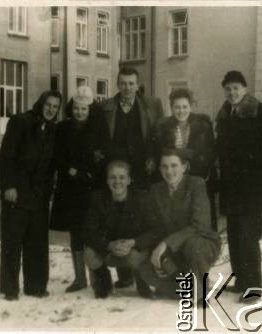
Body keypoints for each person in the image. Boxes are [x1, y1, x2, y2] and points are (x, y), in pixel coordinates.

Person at [215, 70, 262, 302]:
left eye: (236, 88)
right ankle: (241, 281)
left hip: (253, 186)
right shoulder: (224, 113)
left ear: (245, 89)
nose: (232, 92)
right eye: (228, 89)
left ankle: (254, 288)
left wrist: (255, 157)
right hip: (231, 186)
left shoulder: (260, 111)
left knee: (248, 236)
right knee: (235, 235)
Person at [96, 66, 164, 287]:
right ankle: (125, 275)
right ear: (117, 84)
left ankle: (143, 273)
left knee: (141, 217)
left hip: (143, 171)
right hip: (117, 172)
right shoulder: (107, 107)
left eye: (131, 83)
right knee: (119, 217)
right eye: (123, 83)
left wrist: (153, 157)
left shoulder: (152, 106)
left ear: (137, 85)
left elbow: (158, 136)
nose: (127, 87)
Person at [0, 90, 62, 301]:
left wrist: (50, 191)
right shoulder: (20, 122)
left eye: (55, 106)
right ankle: (10, 289)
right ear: (40, 102)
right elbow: (6, 156)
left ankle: (35, 286)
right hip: (16, 193)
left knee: (37, 243)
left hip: (39, 196)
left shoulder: (53, 129)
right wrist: (9, 186)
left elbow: (52, 164)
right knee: (13, 242)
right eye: (48, 104)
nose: (51, 109)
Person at [135, 149, 221, 299]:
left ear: (184, 166)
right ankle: (183, 287)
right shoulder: (156, 190)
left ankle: (201, 293)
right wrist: (141, 245)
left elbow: (199, 225)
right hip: (174, 248)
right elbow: (156, 227)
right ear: (160, 169)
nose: (169, 171)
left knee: (193, 245)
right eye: (164, 166)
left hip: (202, 244)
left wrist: (166, 244)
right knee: (146, 269)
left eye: (174, 165)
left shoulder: (196, 184)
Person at [50, 86, 101, 293]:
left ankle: (95, 277)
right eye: (77, 108)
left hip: (90, 188)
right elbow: (57, 156)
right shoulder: (62, 128)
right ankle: (80, 278)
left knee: (91, 231)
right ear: (72, 108)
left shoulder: (96, 129)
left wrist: (88, 173)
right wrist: (70, 171)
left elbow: (100, 156)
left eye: (84, 109)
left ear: (90, 110)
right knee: (75, 233)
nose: (80, 112)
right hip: (70, 188)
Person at [83, 160, 152, 299]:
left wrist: (133, 242)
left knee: (136, 257)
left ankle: (142, 280)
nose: (117, 181)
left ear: (129, 180)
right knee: (90, 254)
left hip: (133, 250)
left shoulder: (142, 198)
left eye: (122, 177)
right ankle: (104, 280)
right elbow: (89, 231)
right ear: (107, 180)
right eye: (112, 177)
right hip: (110, 249)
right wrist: (108, 244)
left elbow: (154, 231)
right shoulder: (98, 199)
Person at [155, 88, 218, 231]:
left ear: (191, 106)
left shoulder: (203, 124)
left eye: (184, 107)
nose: (181, 111)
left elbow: (209, 153)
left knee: (202, 221)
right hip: (175, 181)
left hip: (200, 178)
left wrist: (180, 153)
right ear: (171, 108)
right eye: (177, 107)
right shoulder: (163, 126)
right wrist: (189, 154)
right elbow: (161, 153)